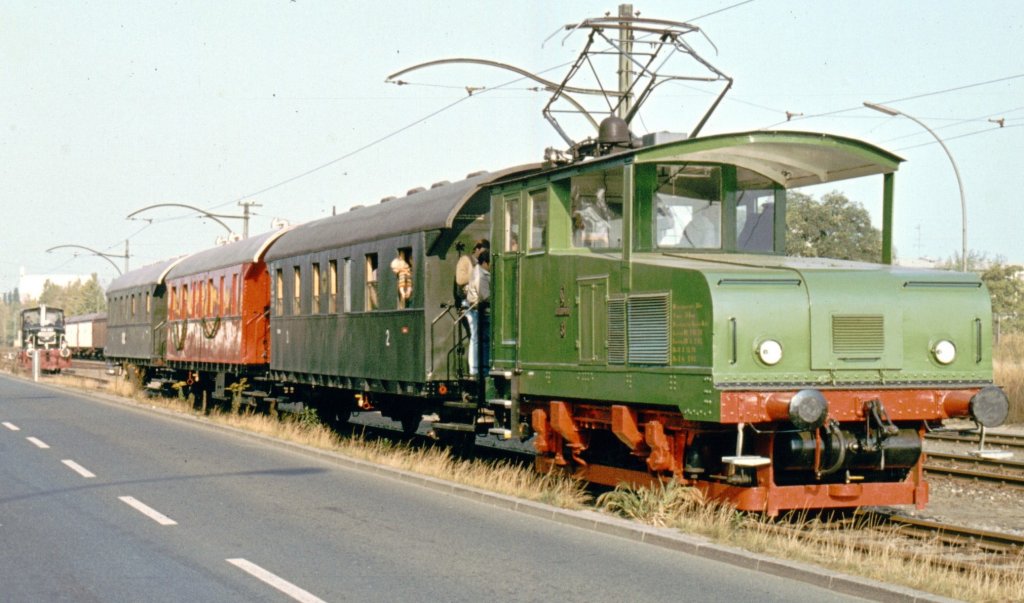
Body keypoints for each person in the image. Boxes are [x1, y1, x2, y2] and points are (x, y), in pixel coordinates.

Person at [465, 250, 490, 377]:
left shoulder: (478, 272)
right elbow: (485, 296)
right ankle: (475, 369)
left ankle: (481, 367)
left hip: (477, 309)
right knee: (477, 339)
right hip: (477, 310)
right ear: (485, 262)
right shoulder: (481, 275)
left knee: (480, 339)